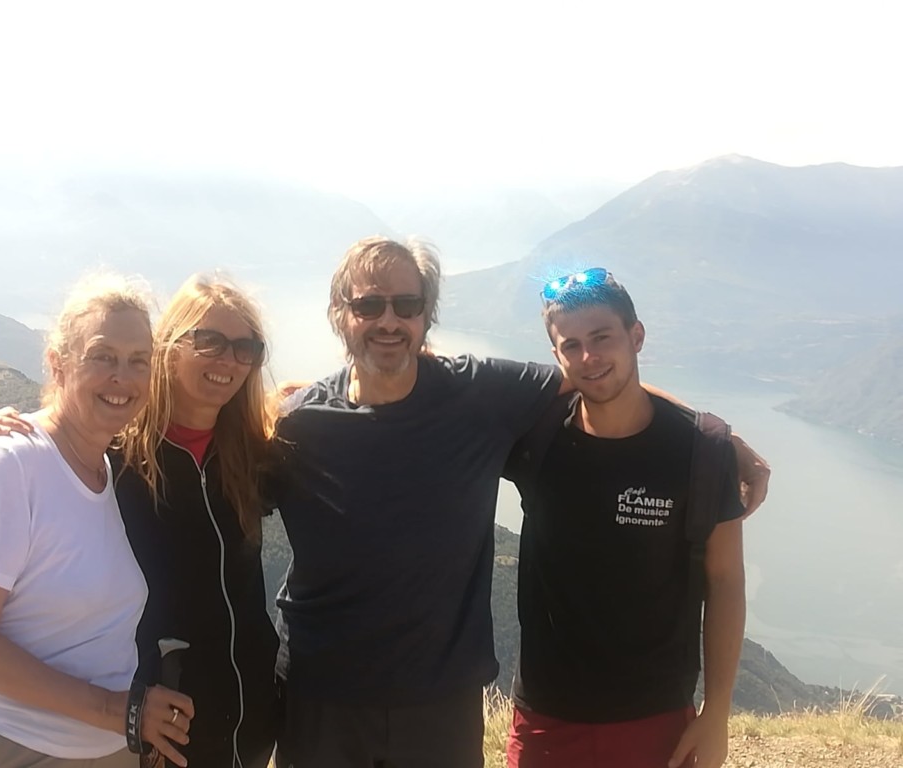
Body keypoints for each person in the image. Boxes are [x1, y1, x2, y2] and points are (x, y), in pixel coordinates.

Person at [271, 236, 769, 768]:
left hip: (442, 705)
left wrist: (715, 437)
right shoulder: (298, 423)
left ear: (426, 315)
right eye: (369, 305)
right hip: (322, 695)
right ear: (340, 313)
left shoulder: (479, 393)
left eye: (406, 304)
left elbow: (594, 379)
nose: (388, 320)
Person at [0, 274, 280, 768]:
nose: (228, 359)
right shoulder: (120, 456)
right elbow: (23, 478)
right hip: (158, 727)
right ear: (169, 351)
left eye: (245, 347)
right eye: (209, 341)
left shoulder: (254, 457)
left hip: (247, 724)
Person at [0, 275, 194, 768]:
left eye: (138, 361)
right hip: (5, 744)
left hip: (103, 748)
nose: (122, 377)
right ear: (58, 363)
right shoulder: (8, 463)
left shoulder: (108, 470)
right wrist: (119, 710)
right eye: (103, 356)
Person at [505, 269, 746, 768]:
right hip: (546, 716)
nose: (588, 358)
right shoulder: (536, 437)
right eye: (571, 346)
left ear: (636, 335)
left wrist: (717, 711)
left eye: (602, 338)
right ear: (557, 356)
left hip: (657, 717)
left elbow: (725, 581)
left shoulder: (702, 451)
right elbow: (435, 389)